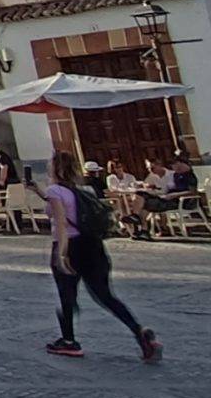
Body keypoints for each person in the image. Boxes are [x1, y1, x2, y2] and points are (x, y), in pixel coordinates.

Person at [41, 149, 162, 363]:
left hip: (69, 245)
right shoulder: (81, 190)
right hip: (92, 245)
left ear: (54, 168)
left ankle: (69, 341)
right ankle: (139, 332)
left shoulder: (54, 190)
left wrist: (61, 254)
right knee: (105, 295)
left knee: (67, 295)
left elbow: (60, 221)